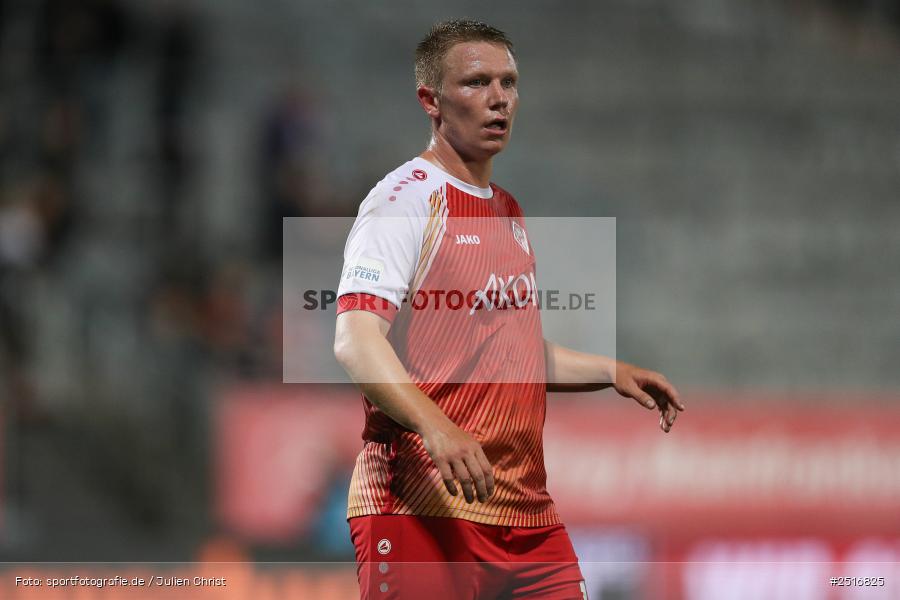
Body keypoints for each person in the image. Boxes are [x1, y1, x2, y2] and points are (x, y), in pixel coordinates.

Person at [333, 19, 684, 600]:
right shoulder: (404, 201)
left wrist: (610, 371)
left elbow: (505, 353)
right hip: (421, 505)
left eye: (509, 82)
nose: (498, 99)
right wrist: (439, 427)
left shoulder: (506, 210)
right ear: (431, 101)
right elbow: (356, 340)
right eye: (475, 83)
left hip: (525, 516)